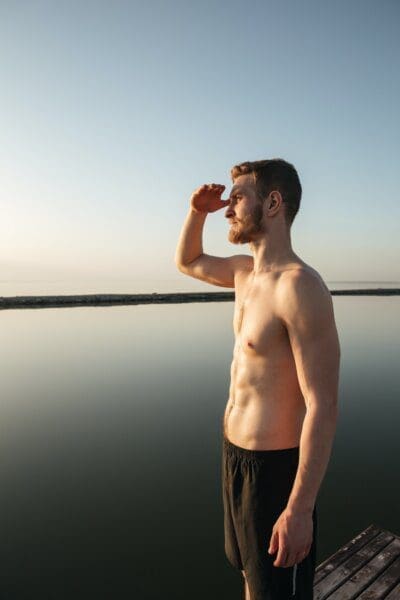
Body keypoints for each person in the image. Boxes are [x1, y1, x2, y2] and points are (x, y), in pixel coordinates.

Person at [174, 159, 341, 599]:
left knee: (278, 590)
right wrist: (197, 211)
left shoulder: (300, 287)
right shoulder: (244, 274)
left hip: (275, 471)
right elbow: (188, 261)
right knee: (248, 571)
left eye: (237, 198)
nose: (228, 209)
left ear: (272, 202)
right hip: (235, 456)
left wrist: (300, 509)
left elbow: (322, 405)